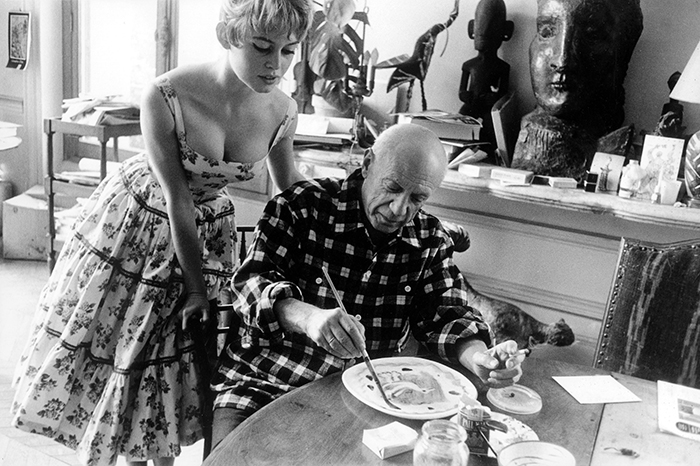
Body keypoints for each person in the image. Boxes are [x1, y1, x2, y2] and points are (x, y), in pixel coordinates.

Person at [11, 1, 313, 465]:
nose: (276, 64)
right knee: (132, 349)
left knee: (179, 359)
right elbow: (178, 197)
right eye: (261, 47)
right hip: (141, 226)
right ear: (227, 36)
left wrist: (345, 207)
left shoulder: (283, 111)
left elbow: (291, 187)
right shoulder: (167, 93)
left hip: (209, 233)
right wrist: (195, 288)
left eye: (289, 51)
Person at [205, 124, 525, 460]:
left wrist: (480, 358)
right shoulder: (301, 206)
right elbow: (249, 285)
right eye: (392, 188)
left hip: (368, 401)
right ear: (368, 163)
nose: (399, 209)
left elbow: (447, 316)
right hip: (265, 384)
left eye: (417, 198)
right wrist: (308, 318)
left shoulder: (429, 239)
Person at [511, 0, 643, 179]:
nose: (562, 60)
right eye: (547, 32)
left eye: (592, 34)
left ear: (624, 49)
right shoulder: (532, 139)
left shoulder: (613, 141)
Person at [458, 0, 513, 154]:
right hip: (471, 105)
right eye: (480, 29)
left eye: (492, 30)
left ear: (506, 32)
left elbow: (503, 94)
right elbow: (461, 91)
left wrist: (492, 98)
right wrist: (465, 95)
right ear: (472, 29)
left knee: (491, 130)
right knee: (459, 128)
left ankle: (486, 154)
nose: (485, 35)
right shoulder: (468, 65)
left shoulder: (503, 67)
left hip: (489, 109)